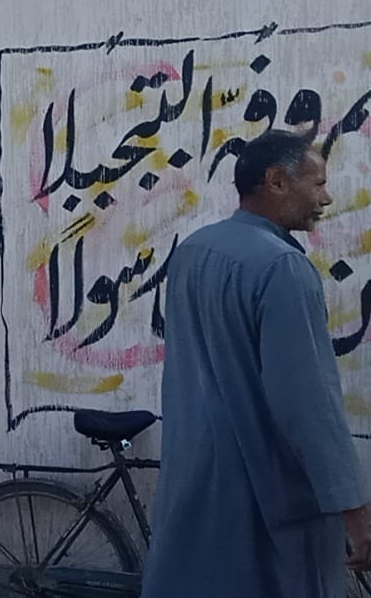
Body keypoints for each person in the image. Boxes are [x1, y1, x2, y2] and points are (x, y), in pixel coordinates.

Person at [141, 130, 371, 598]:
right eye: (318, 184)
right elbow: (307, 404)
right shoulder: (283, 267)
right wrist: (355, 509)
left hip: (195, 487)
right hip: (267, 504)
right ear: (277, 181)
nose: (326, 198)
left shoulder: (193, 252)